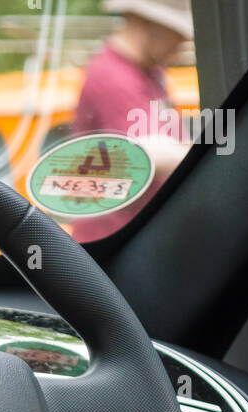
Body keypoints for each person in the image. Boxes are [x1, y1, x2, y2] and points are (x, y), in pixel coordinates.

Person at [71, 0, 194, 243]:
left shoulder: (151, 71)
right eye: (176, 32)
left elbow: (174, 139)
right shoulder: (112, 78)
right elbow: (158, 152)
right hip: (115, 246)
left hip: (140, 236)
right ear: (147, 23)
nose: (180, 43)